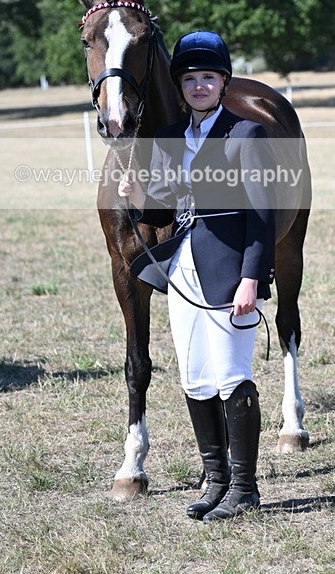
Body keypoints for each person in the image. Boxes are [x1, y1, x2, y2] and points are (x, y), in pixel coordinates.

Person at [118, 30, 275, 522]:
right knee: (195, 376)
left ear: (223, 82)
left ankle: (245, 487)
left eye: (209, 78)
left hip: (229, 270)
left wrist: (252, 278)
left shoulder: (246, 134)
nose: (199, 86)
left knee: (232, 375)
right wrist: (137, 193)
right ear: (180, 85)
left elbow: (263, 216)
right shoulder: (169, 139)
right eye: (190, 79)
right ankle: (216, 479)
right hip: (181, 268)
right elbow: (165, 203)